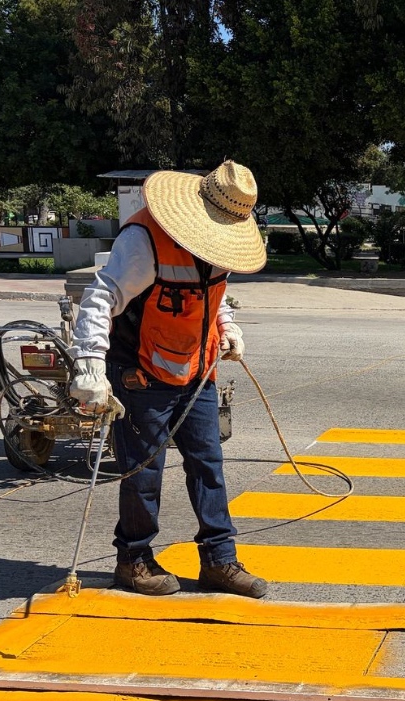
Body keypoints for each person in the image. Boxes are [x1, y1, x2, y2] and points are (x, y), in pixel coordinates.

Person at [69, 160, 268, 598]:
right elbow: (100, 298)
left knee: (209, 466)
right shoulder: (143, 241)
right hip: (141, 373)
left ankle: (220, 561)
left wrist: (227, 329)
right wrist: (89, 364)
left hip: (197, 371)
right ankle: (134, 560)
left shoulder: (218, 245)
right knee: (144, 473)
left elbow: (213, 295)